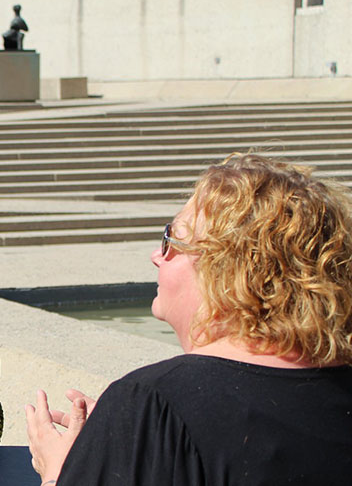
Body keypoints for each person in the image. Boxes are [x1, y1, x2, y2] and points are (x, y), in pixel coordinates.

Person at [26, 154, 352, 485]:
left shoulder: (152, 403)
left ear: (221, 266)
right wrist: (119, 440)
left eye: (169, 240)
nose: (156, 256)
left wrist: (62, 472)